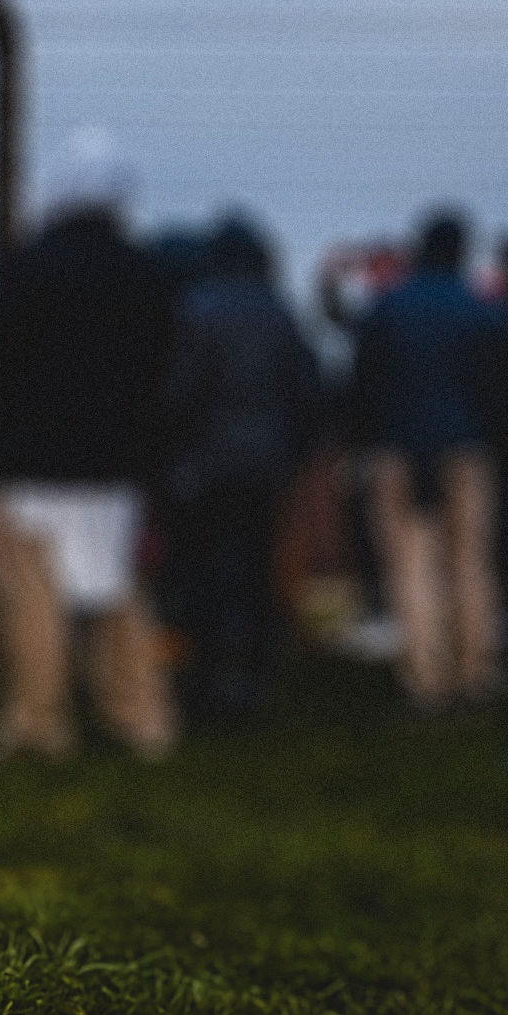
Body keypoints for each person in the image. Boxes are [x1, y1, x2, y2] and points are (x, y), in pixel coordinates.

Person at [0, 133, 183, 762]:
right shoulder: (144, 273)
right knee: (116, 592)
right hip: (114, 464)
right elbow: (166, 368)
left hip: (30, 462)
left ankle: (38, 721)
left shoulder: (28, 267)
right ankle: (141, 717)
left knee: (32, 597)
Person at [153, 213, 321, 724]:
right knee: (255, 570)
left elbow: (178, 394)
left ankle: (209, 680)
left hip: (201, 468)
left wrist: (166, 451)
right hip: (266, 466)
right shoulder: (280, 312)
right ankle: (251, 678)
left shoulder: (194, 309)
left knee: (205, 574)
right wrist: (295, 451)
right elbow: (306, 392)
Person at [346, 209, 508, 713]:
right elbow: (500, 386)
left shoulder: (388, 306)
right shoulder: (481, 309)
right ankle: (474, 675)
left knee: (412, 565)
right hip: (467, 448)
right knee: (472, 563)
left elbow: (362, 381)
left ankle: (426, 681)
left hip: (398, 449)